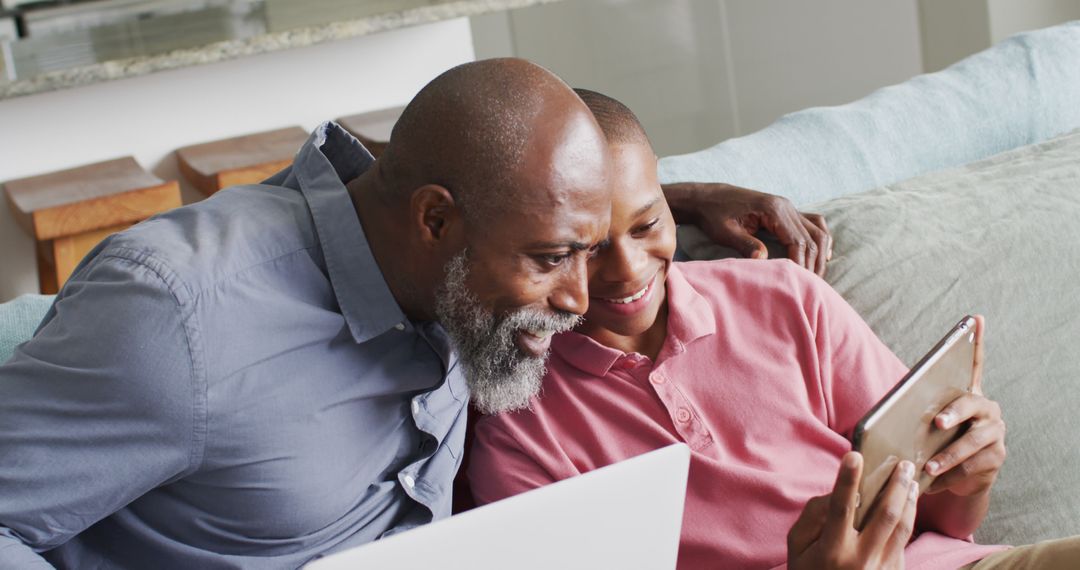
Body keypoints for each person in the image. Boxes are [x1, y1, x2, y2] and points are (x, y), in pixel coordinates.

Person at [0, 59, 830, 568]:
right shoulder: (177, 317)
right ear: (436, 222)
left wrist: (683, 202)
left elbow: (522, 164)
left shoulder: (455, 264)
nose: (579, 300)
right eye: (552, 260)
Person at [468, 89, 1080, 569]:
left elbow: (944, 521)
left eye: (648, 223)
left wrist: (970, 476)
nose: (627, 270)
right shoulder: (517, 425)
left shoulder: (786, 297)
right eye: (586, 247)